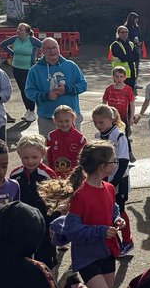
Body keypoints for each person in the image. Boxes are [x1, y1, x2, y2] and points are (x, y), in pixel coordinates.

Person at [46, 142, 124, 288]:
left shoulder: (108, 188)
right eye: (112, 162)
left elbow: (112, 210)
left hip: (107, 251)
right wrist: (102, 230)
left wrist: (115, 219)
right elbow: (72, 230)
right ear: (102, 166)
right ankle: (75, 286)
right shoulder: (80, 196)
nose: (114, 165)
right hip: (87, 257)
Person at [25, 37, 87, 138]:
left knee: (75, 151)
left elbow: (83, 85)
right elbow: (29, 92)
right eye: (48, 48)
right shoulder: (34, 70)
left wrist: (66, 89)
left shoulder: (71, 65)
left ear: (59, 48)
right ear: (42, 50)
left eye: (54, 47)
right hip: (47, 120)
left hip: (70, 119)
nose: (52, 50)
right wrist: (46, 95)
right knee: (49, 151)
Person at [10, 132, 57, 266]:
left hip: (44, 222)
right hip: (22, 223)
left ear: (43, 154)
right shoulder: (15, 174)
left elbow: (55, 202)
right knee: (23, 256)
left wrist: (53, 224)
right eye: (25, 157)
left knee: (45, 257)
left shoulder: (48, 175)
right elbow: (12, 199)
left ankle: (47, 282)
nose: (30, 161)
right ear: (19, 155)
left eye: (34, 157)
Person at [93, 103, 133, 255]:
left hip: (119, 181)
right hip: (104, 180)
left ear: (111, 119)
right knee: (108, 211)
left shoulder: (119, 136)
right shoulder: (98, 136)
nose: (98, 125)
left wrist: (113, 183)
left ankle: (128, 241)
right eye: (95, 122)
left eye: (101, 122)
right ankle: (114, 243)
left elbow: (123, 162)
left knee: (120, 210)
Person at [0, 23, 43, 121]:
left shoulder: (32, 40)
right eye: (18, 29)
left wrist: (40, 59)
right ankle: (27, 110)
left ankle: (32, 112)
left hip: (28, 69)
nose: (18, 31)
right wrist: (13, 53)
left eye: (21, 30)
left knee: (28, 89)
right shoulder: (15, 39)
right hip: (16, 68)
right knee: (22, 90)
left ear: (27, 32)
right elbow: (3, 45)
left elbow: (43, 46)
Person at [102, 66, 136, 160]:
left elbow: (132, 104)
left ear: (125, 77)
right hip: (111, 117)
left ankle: (129, 152)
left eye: (121, 76)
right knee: (109, 134)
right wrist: (103, 114)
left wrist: (132, 117)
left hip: (123, 117)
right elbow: (104, 101)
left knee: (124, 135)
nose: (119, 79)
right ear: (113, 77)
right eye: (116, 76)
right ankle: (108, 153)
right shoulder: (109, 89)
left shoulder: (128, 89)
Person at [45, 104, 87, 178]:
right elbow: (48, 155)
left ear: (73, 119)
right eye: (60, 121)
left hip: (74, 176)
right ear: (55, 120)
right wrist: (50, 172)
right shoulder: (51, 136)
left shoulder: (80, 138)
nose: (64, 124)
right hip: (55, 175)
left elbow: (84, 158)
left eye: (67, 121)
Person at [110, 25, 140, 93]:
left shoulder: (131, 43)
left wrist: (129, 57)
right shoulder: (115, 45)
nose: (125, 34)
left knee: (130, 95)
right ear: (118, 33)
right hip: (120, 75)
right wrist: (130, 57)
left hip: (131, 73)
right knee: (120, 94)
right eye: (123, 32)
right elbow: (123, 58)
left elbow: (136, 57)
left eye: (126, 32)